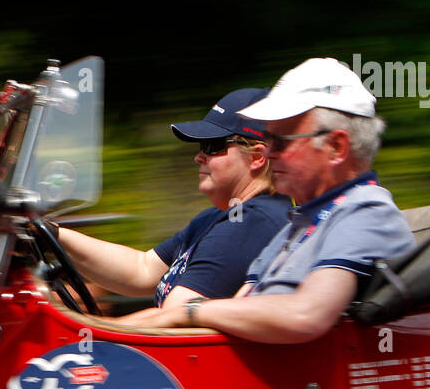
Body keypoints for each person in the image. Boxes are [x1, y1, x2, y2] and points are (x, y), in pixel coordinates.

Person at [114, 57, 415, 342]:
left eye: (281, 142)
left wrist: (189, 312)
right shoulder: (301, 221)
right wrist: (114, 330)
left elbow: (306, 315)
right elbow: (243, 303)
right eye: (268, 140)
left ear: (336, 147)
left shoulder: (364, 210)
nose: (267, 153)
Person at [57, 88, 291, 312]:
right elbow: (142, 270)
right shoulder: (220, 215)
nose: (199, 157)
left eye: (212, 145)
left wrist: (91, 332)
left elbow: (175, 314)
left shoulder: (250, 222)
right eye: (202, 146)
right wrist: (55, 235)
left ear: (256, 157)